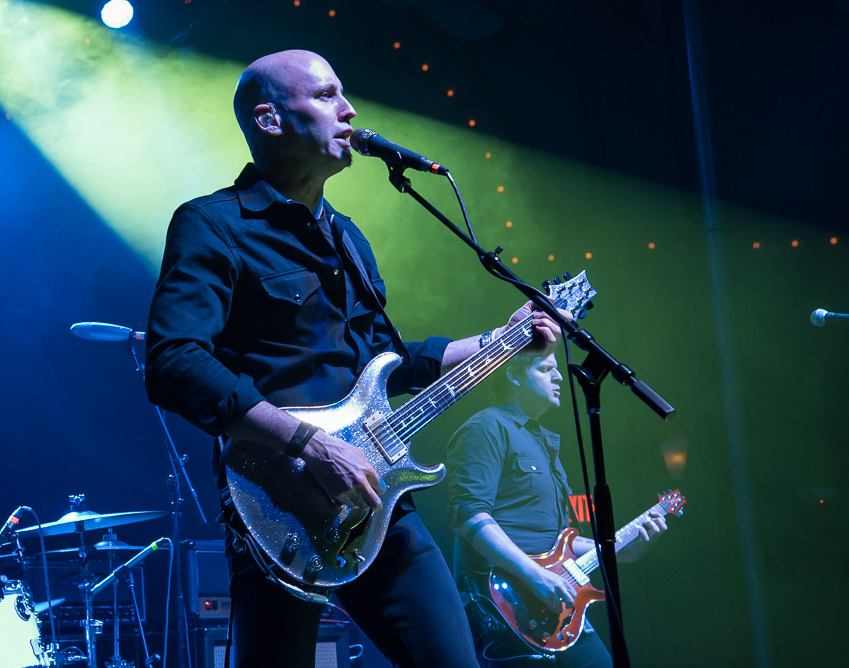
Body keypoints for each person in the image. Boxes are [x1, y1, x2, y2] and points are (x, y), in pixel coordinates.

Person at [144, 49, 561, 667]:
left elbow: (387, 361)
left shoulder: (348, 239)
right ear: (270, 120)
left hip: (380, 497)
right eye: (326, 95)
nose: (350, 111)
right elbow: (173, 361)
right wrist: (308, 445)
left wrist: (503, 339)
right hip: (278, 503)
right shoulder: (214, 225)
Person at [446, 352, 668, 667]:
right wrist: (535, 574)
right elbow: (469, 516)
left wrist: (630, 544)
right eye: (545, 368)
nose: (560, 376)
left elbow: (562, 539)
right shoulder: (487, 427)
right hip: (510, 605)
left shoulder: (540, 440)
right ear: (513, 375)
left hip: (559, 609)